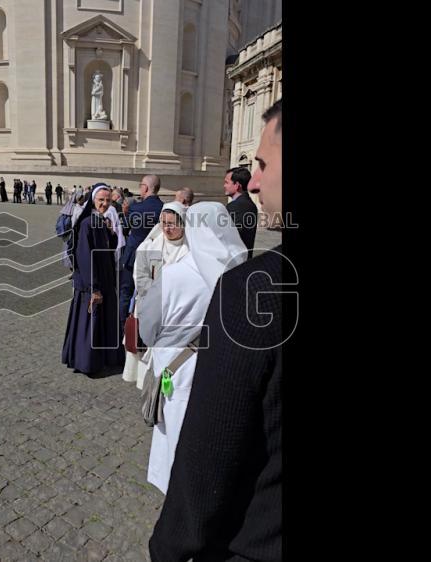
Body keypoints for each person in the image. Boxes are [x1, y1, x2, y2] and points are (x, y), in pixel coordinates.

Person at [148, 99, 285, 562]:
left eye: (263, 164)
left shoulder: (250, 289)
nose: (255, 181)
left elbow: (210, 453)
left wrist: (168, 546)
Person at [139, 202, 247, 494]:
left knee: (176, 433)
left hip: (179, 368)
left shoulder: (175, 275)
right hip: (224, 369)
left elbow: (147, 329)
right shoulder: (242, 274)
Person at [121, 202, 190, 390]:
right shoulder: (149, 245)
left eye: (172, 224)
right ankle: (147, 389)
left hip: (176, 312)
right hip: (151, 307)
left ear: (183, 223)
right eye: (164, 223)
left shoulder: (190, 250)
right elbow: (140, 277)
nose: (167, 228)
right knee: (146, 354)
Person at [61, 185, 125, 376]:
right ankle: (87, 361)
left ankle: (106, 357)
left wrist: (112, 235)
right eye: (101, 200)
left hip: (104, 280)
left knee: (103, 320)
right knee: (90, 322)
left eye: (108, 200)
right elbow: (85, 257)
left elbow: (108, 250)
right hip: (92, 283)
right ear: (93, 201)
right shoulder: (88, 223)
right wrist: (93, 287)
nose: (105, 204)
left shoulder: (101, 221)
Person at [119, 175, 164, 341]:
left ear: (145, 187)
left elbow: (125, 228)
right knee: (149, 295)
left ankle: (124, 329)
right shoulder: (164, 208)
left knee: (126, 292)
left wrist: (125, 214)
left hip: (133, 256)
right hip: (154, 258)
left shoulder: (135, 208)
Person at [224, 166, 258, 259]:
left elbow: (226, 237)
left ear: (237, 185)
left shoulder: (237, 206)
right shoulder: (249, 204)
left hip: (234, 262)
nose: (224, 186)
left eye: (226, 182)